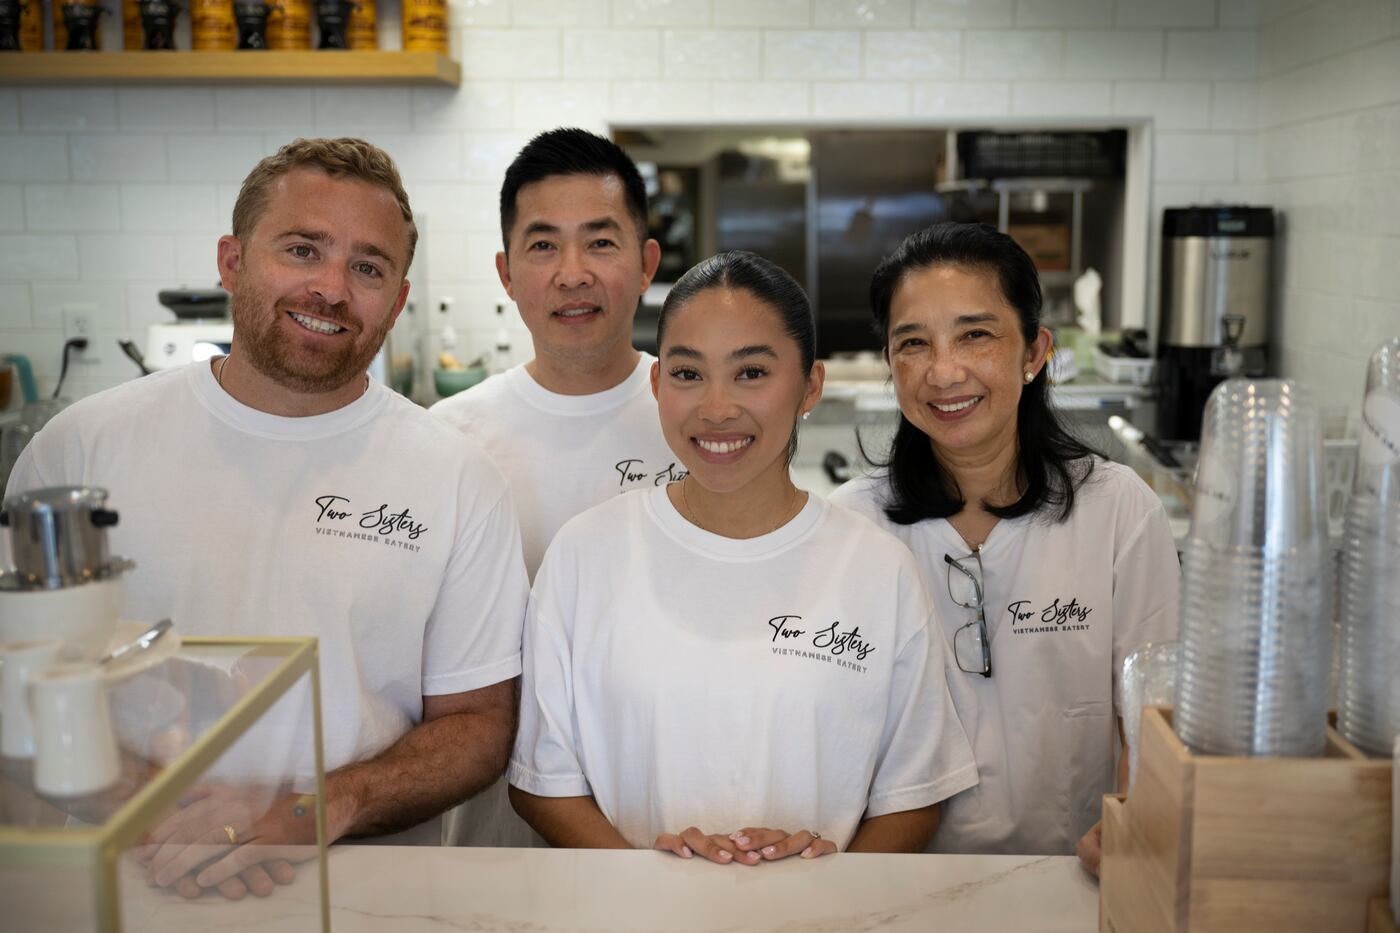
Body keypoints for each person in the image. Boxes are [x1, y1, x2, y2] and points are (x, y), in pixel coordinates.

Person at [3, 138, 528, 897]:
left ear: (398, 298)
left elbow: (479, 721)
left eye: (368, 267)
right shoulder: (81, 450)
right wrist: (155, 811)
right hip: (125, 880)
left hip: (366, 891)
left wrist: (318, 805)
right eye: (303, 249)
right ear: (231, 260)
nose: (331, 288)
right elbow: (15, 678)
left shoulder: (458, 478)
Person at [508, 251, 978, 862]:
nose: (717, 408)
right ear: (656, 385)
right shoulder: (584, 555)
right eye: (687, 374)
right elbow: (544, 786)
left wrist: (821, 885)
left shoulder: (876, 569)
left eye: (751, 372)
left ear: (810, 385)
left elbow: (914, 796)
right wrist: (653, 881)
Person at [829, 223, 1179, 873]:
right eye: (913, 343)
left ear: (1034, 351)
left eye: (975, 334)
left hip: (1074, 880)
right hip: (894, 883)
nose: (944, 371)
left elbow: (1154, 717)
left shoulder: (1118, 510)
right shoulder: (850, 525)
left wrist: (1133, 822)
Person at [431, 127, 679, 848]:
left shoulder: (705, 422)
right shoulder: (450, 437)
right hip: (496, 834)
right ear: (507, 273)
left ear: (645, 263)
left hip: (677, 823)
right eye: (544, 245)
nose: (572, 272)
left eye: (601, 242)